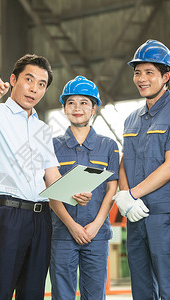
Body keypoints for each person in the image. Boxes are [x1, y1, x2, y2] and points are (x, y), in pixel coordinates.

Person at [0, 54, 91, 300]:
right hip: (7, 214)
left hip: (41, 218)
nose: (34, 89)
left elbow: (51, 175)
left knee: (33, 292)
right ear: (13, 80)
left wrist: (73, 192)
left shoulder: (42, 129)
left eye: (41, 84)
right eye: (29, 80)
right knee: (1, 290)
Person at [115, 40, 170, 299]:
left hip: (164, 217)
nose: (141, 78)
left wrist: (131, 194)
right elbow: (126, 159)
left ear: (166, 76)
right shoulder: (131, 118)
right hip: (135, 217)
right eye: (137, 72)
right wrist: (125, 196)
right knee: (141, 289)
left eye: (149, 72)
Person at [49, 76, 119, 300]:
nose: (77, 108)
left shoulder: (108, 146)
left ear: (94, 109)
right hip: (62, 232)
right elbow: (51, 192)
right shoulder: (52, 146)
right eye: (71, 102)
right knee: (62, 295)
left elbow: (112, 189)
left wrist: (95, 226)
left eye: (84, 103)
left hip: (96, 234)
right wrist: (72, 227)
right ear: (63, 108)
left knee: (95, 295)